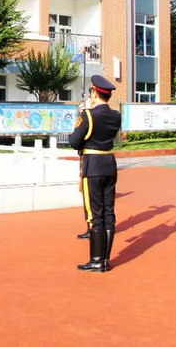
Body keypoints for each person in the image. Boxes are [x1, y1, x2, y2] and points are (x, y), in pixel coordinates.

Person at [69, 75, 122, 273]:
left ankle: (97, 260)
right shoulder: (116, 115)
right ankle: (105, 260)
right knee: (109, 212)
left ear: (94, 93)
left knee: (95, 214)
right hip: (109, 163)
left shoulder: (88, 115)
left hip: (93, 166)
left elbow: (74, 141)